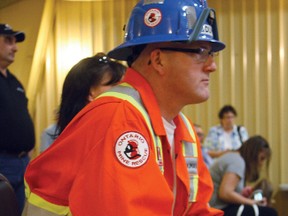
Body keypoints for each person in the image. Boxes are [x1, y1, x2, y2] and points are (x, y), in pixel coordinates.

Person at [24, 0, 226, 215]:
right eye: (200, 52)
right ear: (158, 60)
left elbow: (197, 209)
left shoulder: (183, 129)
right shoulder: (119, 118)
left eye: (212, 53)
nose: (211, 66)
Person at [40, 53, 126, 152]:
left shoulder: (124, 128)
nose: (126, 92)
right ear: (89, 94)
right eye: (116, 85)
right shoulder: (53, 136)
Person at [0, 24, 35, 213]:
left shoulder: (14, 82)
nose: (15, 47)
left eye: (15, 42)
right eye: (8, 41)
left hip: (22, 162)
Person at [209, 135, 278, 216]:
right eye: (261, 158)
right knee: (270, 213)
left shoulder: (234, 157)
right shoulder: (237, 162)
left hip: (218, 207)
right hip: (218, 210)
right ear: (254, 154)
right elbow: (225, 193)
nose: (261, 163)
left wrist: (241, 194)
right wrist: (251, 202)